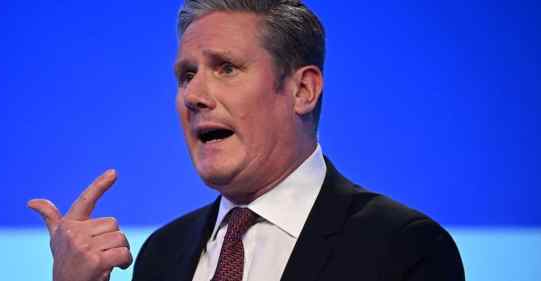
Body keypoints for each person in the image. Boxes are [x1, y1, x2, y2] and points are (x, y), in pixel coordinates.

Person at [28, 1, 465, 281]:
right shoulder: (162, 255)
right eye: (186, 75)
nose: (194, 96)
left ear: (302, 91)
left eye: (227, 68)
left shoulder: (403, 249)